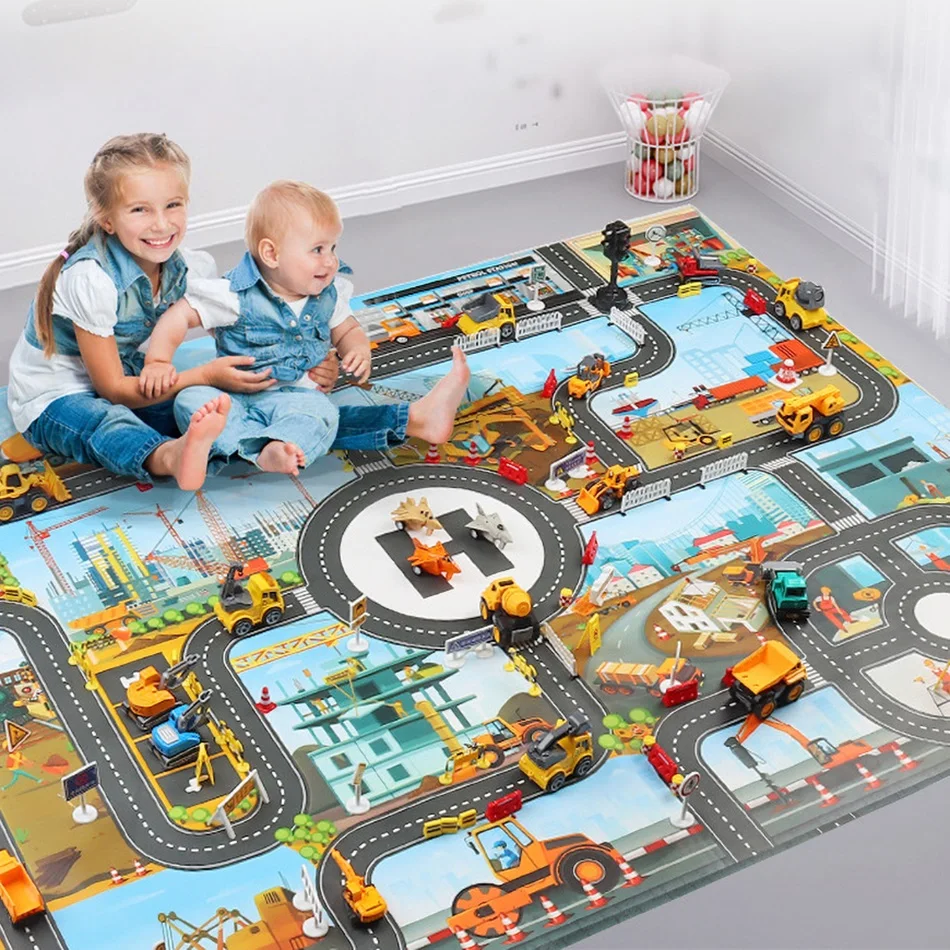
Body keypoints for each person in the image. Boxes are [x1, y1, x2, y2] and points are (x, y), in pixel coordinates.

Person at [5, 133, 292, 491]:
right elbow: (112, 390)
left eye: (173, 205)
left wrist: (300, 355)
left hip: (124, 369)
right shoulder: (91, 279)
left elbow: (243, 328)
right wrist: (204, 375)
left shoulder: (189, 267)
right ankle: (169, 457)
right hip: (54, 392)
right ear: (107, 220)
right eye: (140, 210)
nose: (161, 224)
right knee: (104, 424)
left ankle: (261, 443)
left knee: (198, 404)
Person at [142, 180, 469, 474]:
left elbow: (347, 329)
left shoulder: (328, 293)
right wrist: (158, 361)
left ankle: (270, 449)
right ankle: (249, 443)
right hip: (230, 396)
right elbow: (179, 316)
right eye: (317, 250)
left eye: (333, 248)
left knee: (321, 415)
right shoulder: (234, 294)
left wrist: (356, 349)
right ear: (271, 254)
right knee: (190, 400)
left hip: (295, 397)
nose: (331, 260)